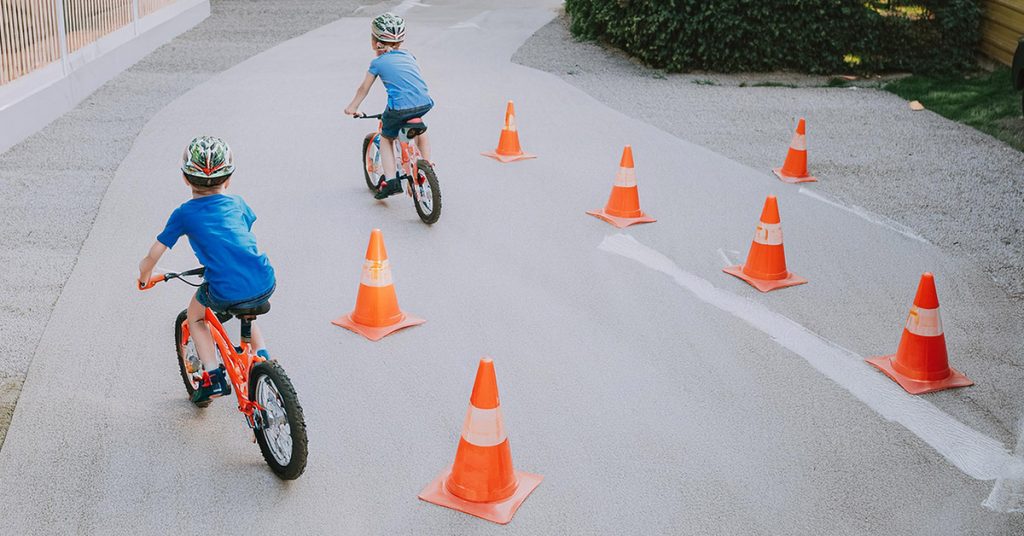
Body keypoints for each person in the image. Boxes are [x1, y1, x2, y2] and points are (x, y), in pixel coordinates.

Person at [138, 136, 276, 406]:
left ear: (185, 179)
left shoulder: (184, 214)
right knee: (248, 308)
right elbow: (241, 234)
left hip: (224, 285)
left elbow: (154, 253)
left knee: (196, 317)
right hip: (263, 277)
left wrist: (145, 276)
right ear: (229, 178)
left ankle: (213, 376)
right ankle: (264, 358)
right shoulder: (238, 202)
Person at [344, 12, 434, 199]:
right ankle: (425, 166)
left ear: (375, 41)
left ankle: (392, 181)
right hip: (424, 102)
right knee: (421, 132)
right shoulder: (409, 56)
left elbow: (364, 88)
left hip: (400, 108)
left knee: (386, 138)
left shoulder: (377, 62)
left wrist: (352, 107)